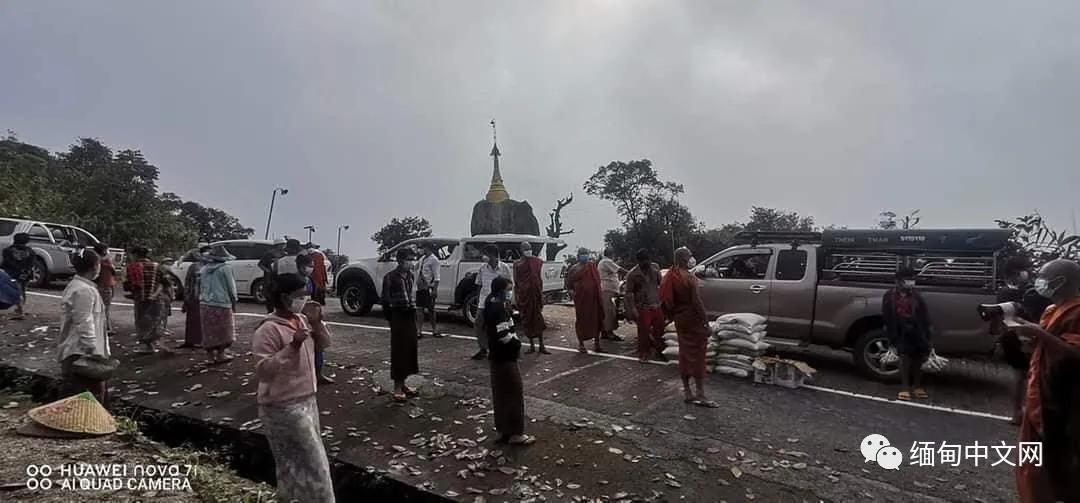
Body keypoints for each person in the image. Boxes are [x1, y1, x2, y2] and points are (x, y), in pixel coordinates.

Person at [252, 273, 335, 503]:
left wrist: (317, 323)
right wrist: (293, 345)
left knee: (295, 464)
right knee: (313, 465)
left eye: (306, 294)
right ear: (284, 297)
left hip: (307, 401)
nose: (304, 299)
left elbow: (325, 344)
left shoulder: (302, 319)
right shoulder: (268, 330)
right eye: (300, 295)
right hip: (282, 407)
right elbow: (264, 371)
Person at [1012, 259, 1080, 503]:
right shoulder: (1051, 310)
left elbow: (1075, 352)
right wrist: (1030, 338)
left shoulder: (1077, 311)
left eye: (1042, 276)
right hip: (1039, 392)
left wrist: (1039, 334)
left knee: (1063, 461)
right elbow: (1045, 346)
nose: (1037, 281)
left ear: (1060, 281)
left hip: (1065, 399)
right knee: (1032, 464)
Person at [996, 256, 1052, 424]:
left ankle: (1022, 413)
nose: (1028, 272)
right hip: (1020, 336)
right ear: (1015, 273)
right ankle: (1022, 414)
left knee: (1025, 376)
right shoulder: (1012, 292)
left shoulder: (1021, 290)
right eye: (1025, 269)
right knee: (1027, 375)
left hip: (1025, 334)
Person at [660, 247, 717, 407]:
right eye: (690, 256)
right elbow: (696, 302)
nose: (692, 259)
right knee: (698, 355)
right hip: (693, 319)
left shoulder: (671, 276)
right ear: (686, 259)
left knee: (684, 353)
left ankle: (687, 391)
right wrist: (706, 322)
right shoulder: (690, 278)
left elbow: (667, 301)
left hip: (680, 319)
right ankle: (700, 393)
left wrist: (674, 315)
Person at [484, 276, 535, 445]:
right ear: (500, 291)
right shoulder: (498, 309)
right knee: (513, 393)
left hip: (495, 355)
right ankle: (516, 433)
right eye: (508, 289)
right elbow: (503, 335)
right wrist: (517, 344)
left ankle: (503, 430)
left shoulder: (490, 302)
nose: (510, 293)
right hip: (505, 356)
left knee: (500, 395)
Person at [57, 249, 110, 404]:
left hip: (82, 350)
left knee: (82, 399)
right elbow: (84, 321)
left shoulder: (80, 286)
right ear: (95, 266)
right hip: (81, 352)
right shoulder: (83, 290)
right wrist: (93, 349)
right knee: (81, 400)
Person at [882, 267, 933, 401]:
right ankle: (904, 388)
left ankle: (917, 386)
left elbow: (925, 315)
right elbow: (886, 315)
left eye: (912, 279)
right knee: (904, 359)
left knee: (919, 359)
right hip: (901, 331)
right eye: (907, 279)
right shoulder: (889, 295)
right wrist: (890, 334)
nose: (911, 282)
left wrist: (927, 334)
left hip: (918, 331)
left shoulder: (917, 296)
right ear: (898, 281)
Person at [382, 248, 420, 402]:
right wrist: (392, 318)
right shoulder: (390, 277)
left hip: (410, 315)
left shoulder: (411, 276)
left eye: (412, 259)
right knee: (398, 351)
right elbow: (385, 300)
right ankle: (397, 387)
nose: (410, 262)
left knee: (410, 350)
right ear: (399, 260)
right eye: (408, 259)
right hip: (397, 316)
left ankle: (404, 384)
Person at [624, 248, 666, 363]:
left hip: (656, 305)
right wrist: (632, 309)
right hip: (643, 307)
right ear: (638, 261)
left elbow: (661, 284)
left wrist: (664, 302)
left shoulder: (655, 268)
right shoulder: (633, 274)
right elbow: (628, 293)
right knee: (643, 332)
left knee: (660, 331)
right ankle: (644, 353)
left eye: (648, 260)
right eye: (643, 261)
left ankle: (660, 352)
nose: (646, 263)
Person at [471, 245, 512, 360]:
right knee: (479, 324)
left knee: (500, 327)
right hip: (484, 302)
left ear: (492, 255)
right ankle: (483, 349)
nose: (484, 257)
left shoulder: (504, 268)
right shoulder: (483, 268)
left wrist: (507, 300)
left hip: (498, 303)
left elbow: (509, 286)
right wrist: (478, 300)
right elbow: (479, 285)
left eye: (486, 254)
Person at [199, 245, 239, 364]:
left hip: (205, 303)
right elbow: (231, 287)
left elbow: (201, 285)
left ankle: (210, 357)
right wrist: (234, 301)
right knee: (224, 331)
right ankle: (221, 354)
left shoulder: (205, 268)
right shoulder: (226, 268)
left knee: (209, 331)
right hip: (222, 303)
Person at [125, 246, 166, 354]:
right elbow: (164, 283)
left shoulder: (132, 267)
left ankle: (146, 346)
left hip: (140, 299)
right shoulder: (156, 266)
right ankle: (152, 344)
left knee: (142, 322)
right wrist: (154, 294)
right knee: (154, 321)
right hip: (155, 299)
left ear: (136, 255)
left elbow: (129, 286)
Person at [513, 241, 548, 354]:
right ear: (521, 250)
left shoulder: (537, 261)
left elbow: (539, 278)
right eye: (525, 248)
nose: (528, 250)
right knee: (527, 320)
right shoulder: (517, 264)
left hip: (535, 294)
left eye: (529, 248)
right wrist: (517, 296)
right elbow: (516, 281)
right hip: (524, 295)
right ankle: (532, 345)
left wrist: (541, 294)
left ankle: (542, 345)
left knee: (538, 319)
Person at [180, 245, 211, 349]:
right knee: (192, 319)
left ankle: (202, 341)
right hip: (194, 296)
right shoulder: (194, 266)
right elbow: (188, 282)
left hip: (206, 297)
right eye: (206, 253)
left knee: (203, 320)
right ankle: (190, 341)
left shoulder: (211, 266)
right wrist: (186, 298)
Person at [1, 232, 34, 320]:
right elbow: (31, 264)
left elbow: (6, 263)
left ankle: (19, 310)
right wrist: (25, 272)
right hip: (24, 274)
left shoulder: (7, 250)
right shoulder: (30, 251)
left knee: (10, 291)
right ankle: (20, 309)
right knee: (21, 290)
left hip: (11, 274)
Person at [597, 247, 626, 342]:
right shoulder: (606, 261)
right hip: (607, 289)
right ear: (611, 254)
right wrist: (632, 273)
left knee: (607, 311)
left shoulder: (604, 262)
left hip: (609, 289)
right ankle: (610, 333)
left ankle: (604, 332)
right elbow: (619, 269)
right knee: (609, 312)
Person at [416, 242, 443, 339]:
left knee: (431, 310)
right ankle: (419, 330)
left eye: (422, 248)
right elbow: (416, 267)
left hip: (429, 288)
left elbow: (437, 277)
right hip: (420, 287)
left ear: (427, 248)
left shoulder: (434, 260)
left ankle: (434, 330)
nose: (421, 250)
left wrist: (435, 290)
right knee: (419, 309)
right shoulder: (422, 259)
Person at [92, 243, 117, 335]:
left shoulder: (97, 261)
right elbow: (113, 272)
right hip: (105, 287)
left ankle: (106, 327)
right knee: (105, 309)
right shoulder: (105, 261)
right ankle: (106, 328)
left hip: (102, 286)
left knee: (102, 308)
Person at [258, 245, 286, 314]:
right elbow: (260, 264)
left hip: (279, 277)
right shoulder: (268, 254)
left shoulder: (284, 254)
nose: (283, 246)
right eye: (282, 244)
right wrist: (267, 270)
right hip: (269, 278)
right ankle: (270, 311)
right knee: (269, 295)